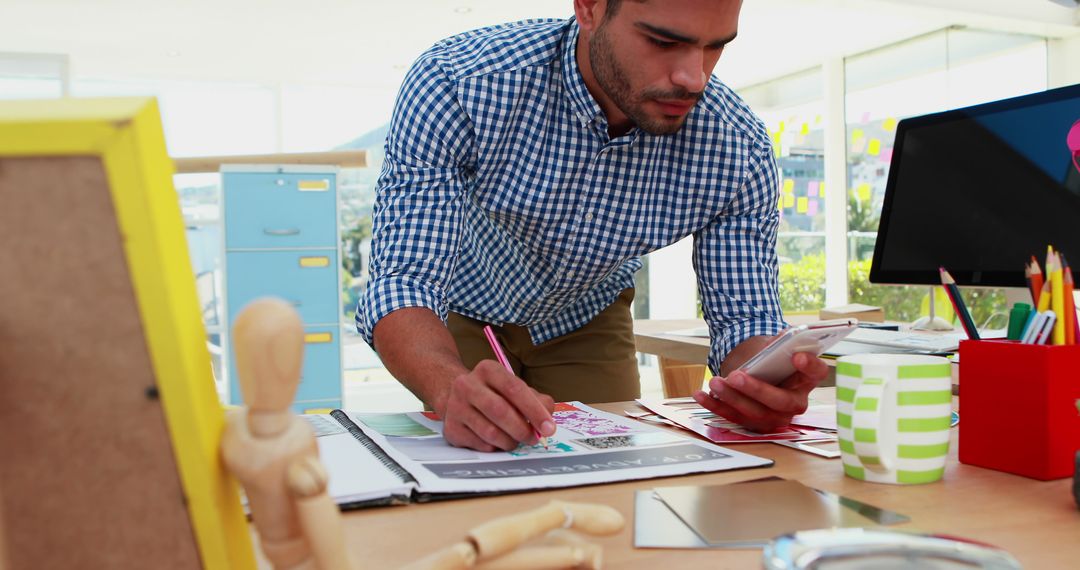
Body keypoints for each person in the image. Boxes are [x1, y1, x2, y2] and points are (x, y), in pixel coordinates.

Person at [356, 0, 829, 452]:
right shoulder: (459, 81)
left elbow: (745, 320)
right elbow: (404, 281)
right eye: (663, 42)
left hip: (588, 313)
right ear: (589, 8)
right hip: (460, 310)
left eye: (715, 46)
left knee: (611, 484)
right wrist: (449, 385)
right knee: (477, 459)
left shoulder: (738, 148)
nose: (694, 78)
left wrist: (763, 383)